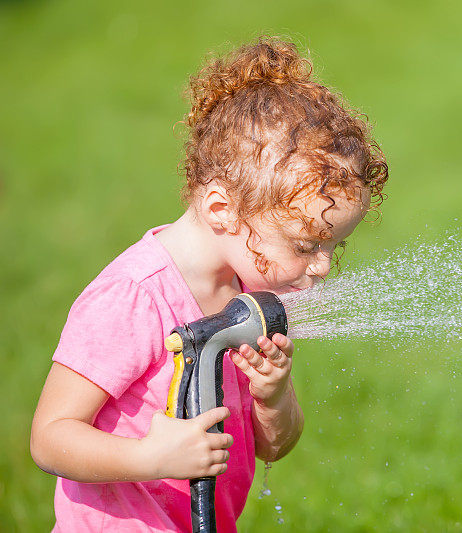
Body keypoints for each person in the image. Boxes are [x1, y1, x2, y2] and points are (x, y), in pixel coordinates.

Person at [29, 35, 388, 532]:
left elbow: (275, 447)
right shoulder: (134, 295)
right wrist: (150, 459)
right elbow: (49, 437)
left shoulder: (252, 300)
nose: (323, 266)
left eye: (335, 247)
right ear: (223, 211)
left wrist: (274, 395)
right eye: (307, 246)